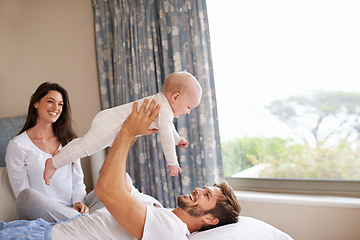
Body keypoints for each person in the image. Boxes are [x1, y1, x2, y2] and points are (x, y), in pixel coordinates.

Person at [0, 99, 241, 240]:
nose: (198, 189)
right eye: (205, 188)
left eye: (207, 195)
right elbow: (121, 183)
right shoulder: (158, 208)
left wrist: (128, 132)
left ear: (210, 218)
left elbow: (106, 189)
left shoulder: (170, 231)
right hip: (45, 228)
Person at [44, 71, 202, 185]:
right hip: (110, 124)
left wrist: (178, 139)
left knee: (84, 143)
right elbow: (166, 135)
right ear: (175, 97)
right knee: (86, 148)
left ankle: (61, 153)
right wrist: (172, 163)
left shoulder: (163, 107)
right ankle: (54, 163)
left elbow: (167, 129)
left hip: (109, 120)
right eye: (189, 107)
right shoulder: (164, 109)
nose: (188, 112)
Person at [5, 82, 103, 223]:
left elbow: (78, 182)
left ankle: (77, 218)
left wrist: (78, 203)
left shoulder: (69, 141)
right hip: (39, 211)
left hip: (73, 209)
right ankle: (81, 221)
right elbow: (22, 193)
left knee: (123, 179)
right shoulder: (18, 145)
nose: (56, 108)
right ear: (36, 103)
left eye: (60, 104)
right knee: (26, 195)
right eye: (50, 101)